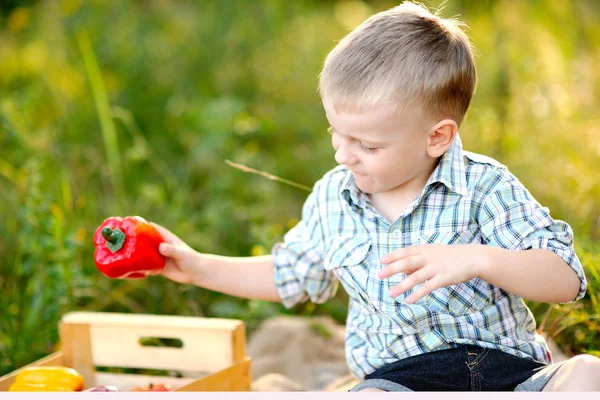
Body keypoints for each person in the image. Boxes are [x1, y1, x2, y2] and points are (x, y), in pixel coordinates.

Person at [151, 1, 600, 392]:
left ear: (437, 137)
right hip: (401, 379)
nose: (344, 155)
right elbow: (290, 274)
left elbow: (564, 280)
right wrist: (198, 268)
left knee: (587, 373)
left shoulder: (485, 187)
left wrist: (477, 258)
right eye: (335, 133)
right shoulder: (334, 198)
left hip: (511, 375)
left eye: (368, 145)